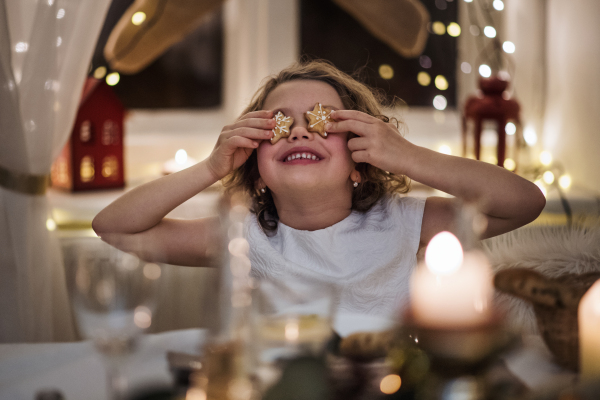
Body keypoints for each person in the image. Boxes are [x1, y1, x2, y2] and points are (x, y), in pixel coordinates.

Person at [92, 60, 546, 315]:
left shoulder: (406, 222)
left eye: (321, 121)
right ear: (255, 164)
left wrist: (408, 156)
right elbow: (114, 228)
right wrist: (211, 167)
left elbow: (524, 202)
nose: (299, 132)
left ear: (361, 159)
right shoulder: (242, 237)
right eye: (279, 124)